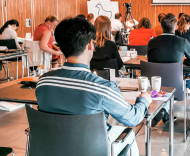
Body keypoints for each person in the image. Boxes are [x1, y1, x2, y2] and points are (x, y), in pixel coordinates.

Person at [36, 17, 152, 156]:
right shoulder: (103, 88)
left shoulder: (43, 82)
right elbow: (132, 118)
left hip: (52, 147)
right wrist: (144, 99)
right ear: (91, 44)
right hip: (91, 149)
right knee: (129, 135)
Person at [148, 13, 190, 127]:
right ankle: (163, 110)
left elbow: (149, 61)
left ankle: (164, 113)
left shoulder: (151, 42)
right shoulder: (182, 42)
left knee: (165, 85)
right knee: (176, 87)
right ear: (176, 26)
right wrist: (183, 62)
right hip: (175, 85)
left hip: (155, 84)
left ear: (161, 27)